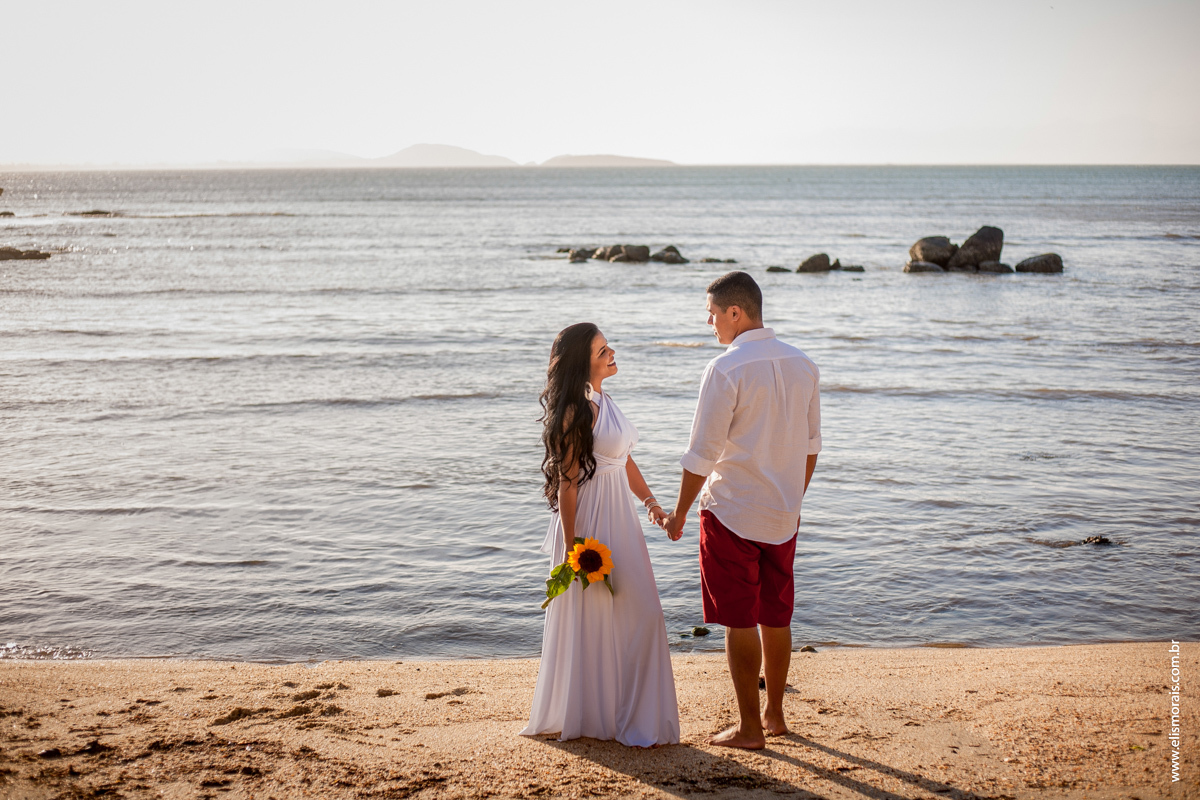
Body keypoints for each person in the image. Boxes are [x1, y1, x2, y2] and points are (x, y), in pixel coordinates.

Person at [660, 271, 821, 750]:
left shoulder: (725, 368)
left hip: (730, 511)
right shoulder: (804, 364)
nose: (709, 323)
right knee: (776, 614)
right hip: (783, 513)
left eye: (712, 314)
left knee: (739, 620)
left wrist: (680, 513)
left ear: (736, 313)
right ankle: (774, 716)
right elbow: (812, 448)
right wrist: (793, 497)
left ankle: (750, 728)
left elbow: (701, 454)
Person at [521, 322, 680, 747]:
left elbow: (623, 461)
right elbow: (569, 482)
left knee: (643, 613)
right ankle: (597, 717)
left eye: (608, 347)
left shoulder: (604, 400)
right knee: (594, 618)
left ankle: (621, 715)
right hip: (589, 524)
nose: (612, 353)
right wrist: (574, 548)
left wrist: (652, 505)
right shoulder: (576, 410)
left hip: (622, 519)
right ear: (583, 363)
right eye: (602, 350)